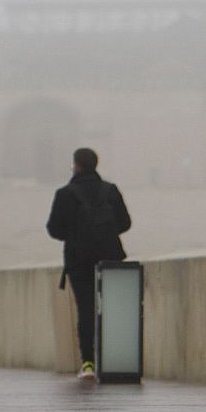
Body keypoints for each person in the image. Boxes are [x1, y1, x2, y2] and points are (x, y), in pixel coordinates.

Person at [46, 147, 131, 380]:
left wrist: (75, 234)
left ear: (76, 165)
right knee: (113, 311)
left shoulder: (65, 194)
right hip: (110, 259)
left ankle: (88, 363)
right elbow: (125, 223)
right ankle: (116, 361)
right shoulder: (110, 190)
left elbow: (54, 229)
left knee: (86, 310)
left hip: (78, 261)